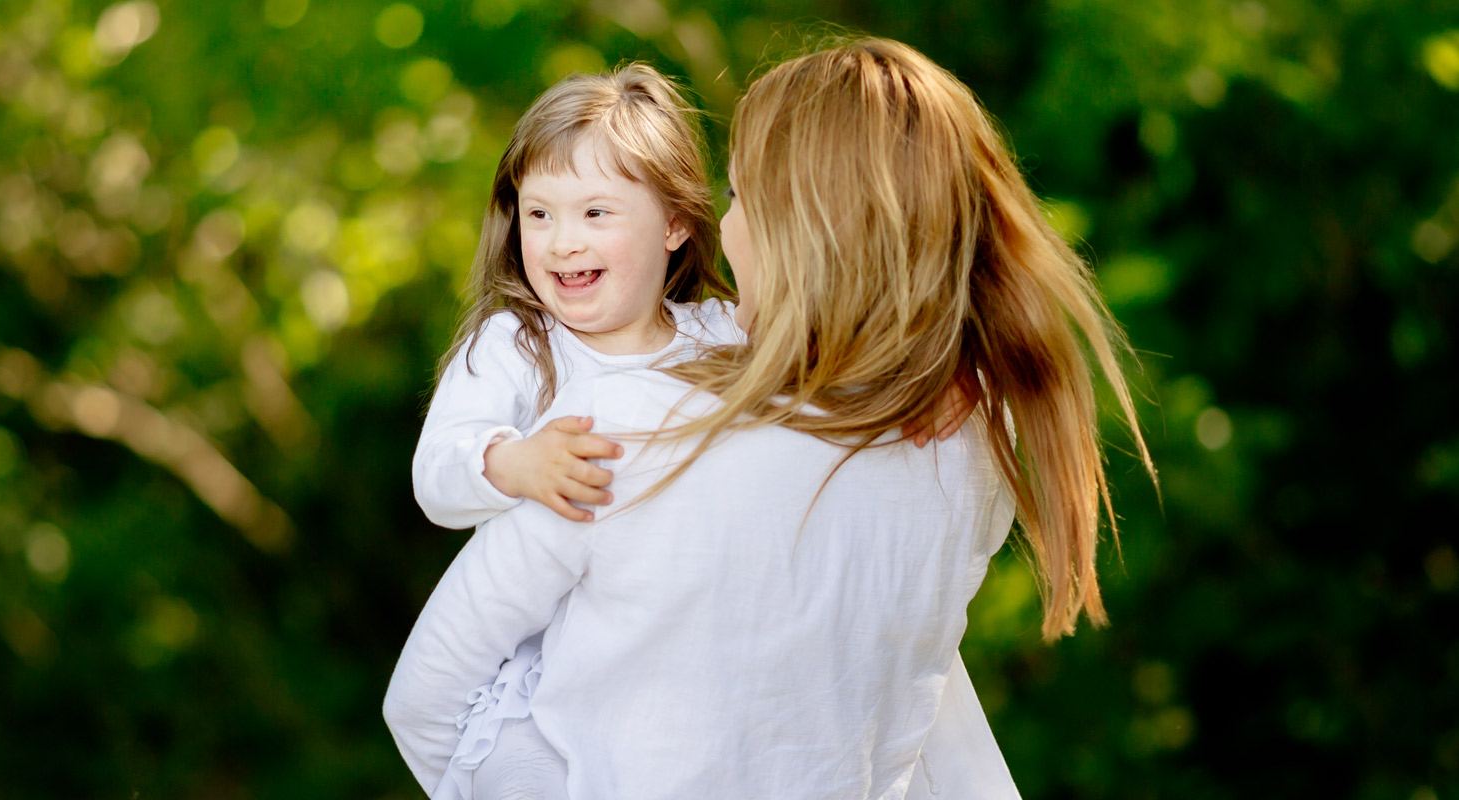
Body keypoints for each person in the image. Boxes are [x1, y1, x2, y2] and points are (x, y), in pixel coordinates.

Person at [386, 37, 1152, 798]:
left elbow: (427, 702)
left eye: (743, 196)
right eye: (541, 212)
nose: (730, 226)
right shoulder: (975, 435)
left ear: (807, 230)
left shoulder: (634, 429)